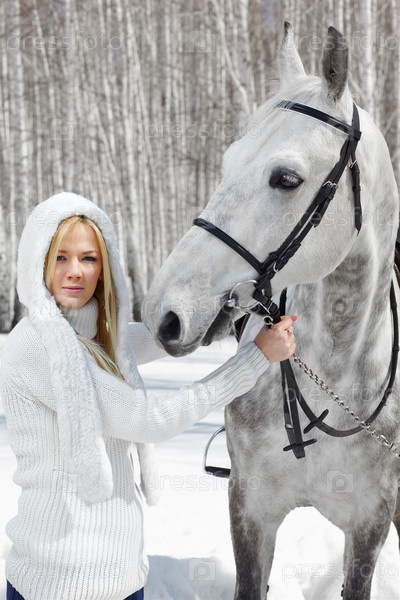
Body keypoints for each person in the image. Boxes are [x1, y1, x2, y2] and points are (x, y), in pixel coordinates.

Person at [0, 193, 296, 600]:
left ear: (104, 268)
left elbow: (164, 336)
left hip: (124, 580)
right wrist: (255, 358)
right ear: (38, 262)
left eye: (88, 258)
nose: (75, 271)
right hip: (56, 584)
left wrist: (234, 311)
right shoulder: (35, 346)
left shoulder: (101, 336)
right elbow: (148, 421)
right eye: (60, 257)